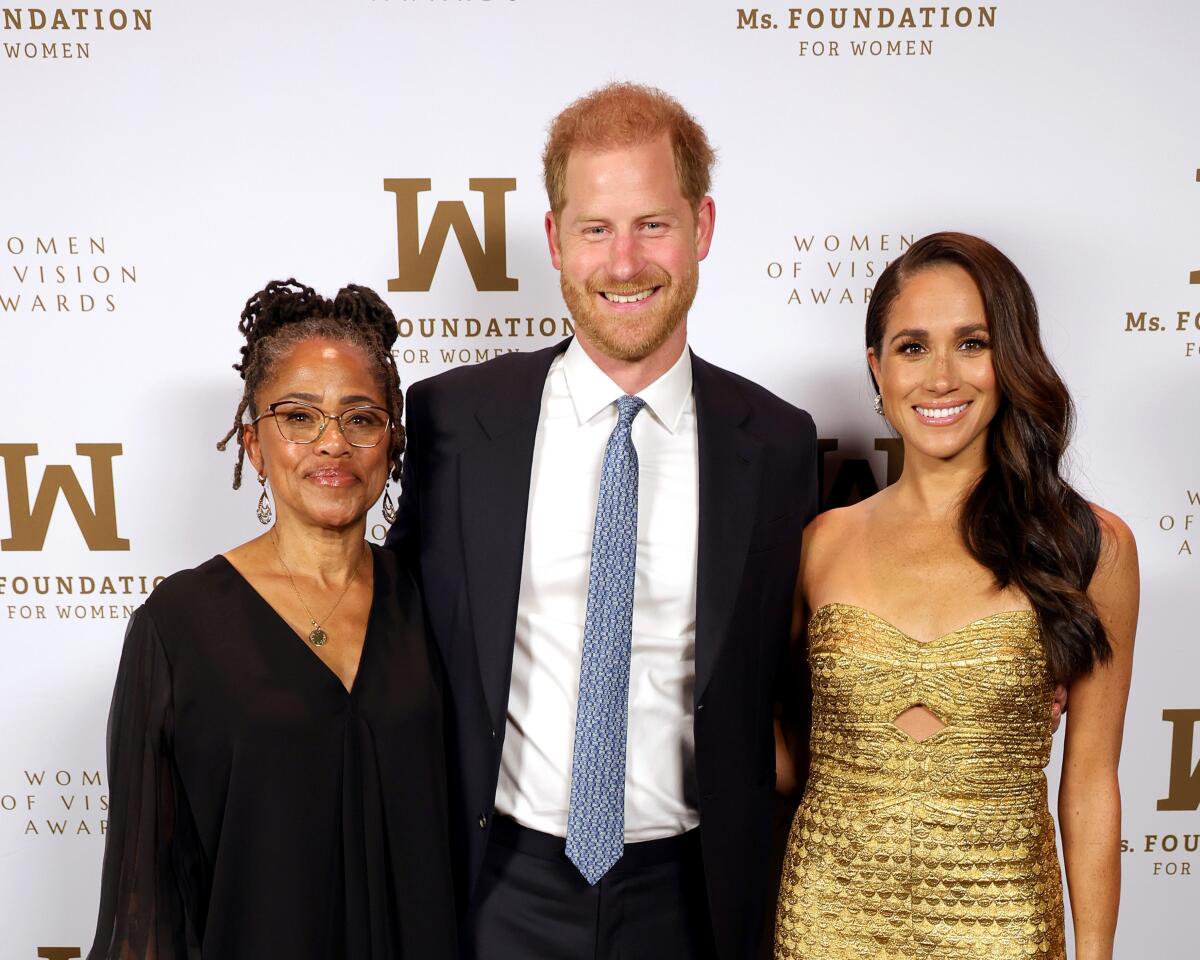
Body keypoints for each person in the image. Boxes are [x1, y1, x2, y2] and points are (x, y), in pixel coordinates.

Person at [386, 83, 818, 960]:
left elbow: (807, 670)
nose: (624, 263)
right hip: (493, 886)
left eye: (652, 225)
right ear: (554, 239)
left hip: (692, 900)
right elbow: (382, 633)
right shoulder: (450, 422)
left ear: (702, 227)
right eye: (596, 229)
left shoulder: (776, 443)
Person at [773, 233, 1139, 960]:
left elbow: (1092, 783)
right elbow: (782, 759)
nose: (941, 377)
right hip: (827, 922)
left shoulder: (1090, 546)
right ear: (877, 368)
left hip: (1003, 924)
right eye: (912, 347)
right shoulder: (820, 543)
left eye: (971, 343)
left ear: (1011, 359)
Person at [87, 280, 456, 959]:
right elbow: (147, 897)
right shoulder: (178, 627)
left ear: (391, 444)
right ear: (254, 444)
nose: (332, 444)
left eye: (360, 418)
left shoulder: (438, 603)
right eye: (299, 416)